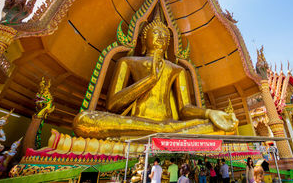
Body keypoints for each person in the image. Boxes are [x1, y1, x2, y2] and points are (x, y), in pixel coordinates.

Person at [73, 12, 239, 138]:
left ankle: (165, 131)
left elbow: (185, 109)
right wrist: (149, 80)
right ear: (144, 40)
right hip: (138, 122)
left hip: (170, 124)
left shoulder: (176, 69)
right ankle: (165, 132)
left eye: (165, 35)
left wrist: (209, 113)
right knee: (83, 120)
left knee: (221, 126)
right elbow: (112, 105)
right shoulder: (127, 62)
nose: (161, 36)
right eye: (157, 33)